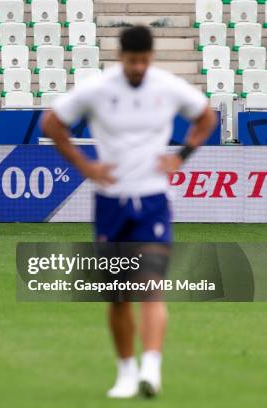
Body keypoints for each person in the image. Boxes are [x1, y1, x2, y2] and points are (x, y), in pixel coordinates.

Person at [40, 26, 217, 398]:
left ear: (151, 57)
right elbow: (52, 123)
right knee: (118, 295)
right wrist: (86, 167)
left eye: (144, 60)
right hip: (110, 202)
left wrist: (182, 155)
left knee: (151, 286)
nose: (138, 66)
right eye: (132, 60)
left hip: (152, 199)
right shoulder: (99, 89)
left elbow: (206, 118)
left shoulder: (168, 87)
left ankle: (151, 367)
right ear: (120, 57)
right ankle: (125, 372)